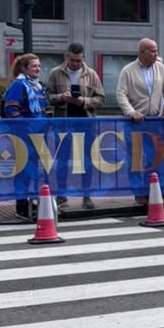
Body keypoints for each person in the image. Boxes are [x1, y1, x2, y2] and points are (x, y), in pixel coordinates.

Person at [46, 43, 105, 211]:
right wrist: (61, 97)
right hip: (63, 122)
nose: (75, 64)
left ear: (83, 59)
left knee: (87, 160)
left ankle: (87, 195)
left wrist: (84, 101)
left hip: (85, 121)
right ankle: (61, 195)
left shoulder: (91, 74)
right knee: (62, 159)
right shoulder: (56, 73)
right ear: (67, 57)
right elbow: (47, 96)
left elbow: (101, 98)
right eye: (72, 60)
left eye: (78, 61)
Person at [2, 52, 49, 219]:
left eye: (39, 66)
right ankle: (21, 206)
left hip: (39, 135)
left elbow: (45, 109)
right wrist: (28, 126)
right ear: (24, 68)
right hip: (23, 136)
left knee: (36, 171)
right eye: (34, 66)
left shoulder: (38, 86)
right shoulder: (18, 85)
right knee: (23, 171)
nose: (38, 69)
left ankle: (34, 202)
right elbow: (10, 110)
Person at [115, 38, 164, 122]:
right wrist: (131, 112)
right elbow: (121, 94)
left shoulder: (161, 68)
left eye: (156, 51)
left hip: (156, 120)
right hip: (134, 122)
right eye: (153, 51)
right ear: (142, 52)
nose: (156, 54)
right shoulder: (127, 70)